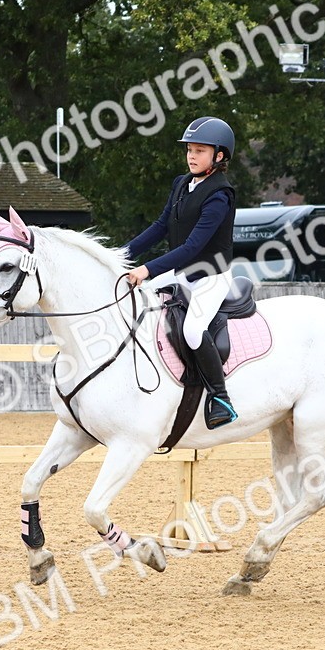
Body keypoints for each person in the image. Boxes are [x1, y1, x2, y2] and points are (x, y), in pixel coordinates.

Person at [123, 116, 239, 429]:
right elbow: (161, 226)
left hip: (210, 276)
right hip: (181, 273)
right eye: (189, 149)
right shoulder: (181, 184)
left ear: (218, 156)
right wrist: (122, 256)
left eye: (199, 150)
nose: (191, 155)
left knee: (191, 330)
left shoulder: (220, 195)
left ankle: (220, 397)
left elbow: (191, 247)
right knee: (133, 300)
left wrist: (146, 269)